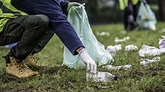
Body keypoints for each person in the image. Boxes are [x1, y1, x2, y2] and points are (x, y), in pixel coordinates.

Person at [0, 0, 97, 78]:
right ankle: (14, 60)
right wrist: (81, 51)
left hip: (8, 22)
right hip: (2, 26)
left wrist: (64, 4)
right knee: (41, 21)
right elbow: (57, 19)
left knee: (48, 20)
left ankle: (25, 56)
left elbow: (40, 4)